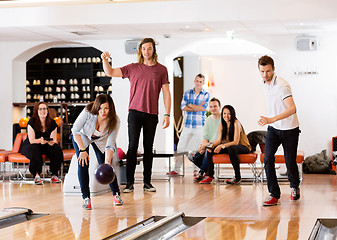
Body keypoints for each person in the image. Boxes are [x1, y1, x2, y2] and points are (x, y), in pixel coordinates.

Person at [101, 38, 171, 193]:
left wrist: (167, 113)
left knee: (148, 148)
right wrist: (105, 60)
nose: (147, 51)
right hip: (134, 113)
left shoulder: (162, 70)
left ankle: (147, 183)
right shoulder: (133, 68)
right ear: (141, 50)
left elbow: (166, 93)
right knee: (132, 147)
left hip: (152, 114)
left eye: (149, 48)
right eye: (144, 48)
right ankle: (130, 183)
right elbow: (110, 72)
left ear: (154, 50)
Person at [257, 55, 301, 206]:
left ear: (274, 69)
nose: (265, 75)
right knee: (267, 158)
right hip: (274, 129)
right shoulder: (264, 83)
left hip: (289, 129)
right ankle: (274, 194)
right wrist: (271, 122)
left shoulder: (282, 85)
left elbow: (292, 109)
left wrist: (272, 119)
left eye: (268, 71)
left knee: (290, 162)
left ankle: (294, 186)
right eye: (262, 71)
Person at [72, 94, 123, 210]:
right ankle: (86, 198)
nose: (102, 111)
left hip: (101, 140)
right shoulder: (88, 112)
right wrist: (82, 150)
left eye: (106, 108)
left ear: (111, 108)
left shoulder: (115, 121)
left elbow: (110, 144)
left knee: (107, 166)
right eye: (100, 108)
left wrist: (107, 163)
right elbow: (75, 130)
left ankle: (116, 195)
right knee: (83, 163)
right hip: (82, 136)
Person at [169, 74, 210, 175]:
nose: (198, 83)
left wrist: (190, 105)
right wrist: (196, 106)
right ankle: (177, 169)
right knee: (180, 147)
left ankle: (196, 170)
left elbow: (203, 108)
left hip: (200, 126)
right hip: (187, 126)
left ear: (203, 83)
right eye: (197, 81)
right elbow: (183, 107)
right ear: (194, 81)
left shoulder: (206, 94)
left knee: (198, 148)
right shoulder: (187, 93)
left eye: (200, 82)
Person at [200, 105, 251, 184]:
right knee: (210, 149)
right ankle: (210, 176)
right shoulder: (221, 124)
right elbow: (219, 140)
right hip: (230, 147)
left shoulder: (236, 123)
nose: (226, 116)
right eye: (224, 113)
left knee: (232, 148)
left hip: (243, 147)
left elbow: (236, 142)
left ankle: (237, 177)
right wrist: (211, 145)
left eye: (229, 114)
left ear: (232, 114)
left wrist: (221, 146)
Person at [20, 102, 63, 185]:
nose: (43, 111)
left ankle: (54, 174)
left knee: (56, 148)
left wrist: (51, 142)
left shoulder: (52, 122)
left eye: (45, 109)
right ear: (37, 111)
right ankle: (36, 175)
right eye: (40, 109)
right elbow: (32, 140)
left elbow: (53, 139)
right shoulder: (31, 122)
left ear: (47, 111)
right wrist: (40, 140)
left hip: (45, 144)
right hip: (31, 145)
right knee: (35, 148)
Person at [190, 97, 221, 182]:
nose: (213, 109)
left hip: (218, 145)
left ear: (219, 107)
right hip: (209, 145)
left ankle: (202, 172)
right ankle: (207, 170)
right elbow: (205, 138)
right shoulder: (208, 120)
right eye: (211, 107)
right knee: (192, 155)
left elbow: (222, 139)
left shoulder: (223, 119)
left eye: (215, 106)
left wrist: (206, 146)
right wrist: (203, 146)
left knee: (208, 149)